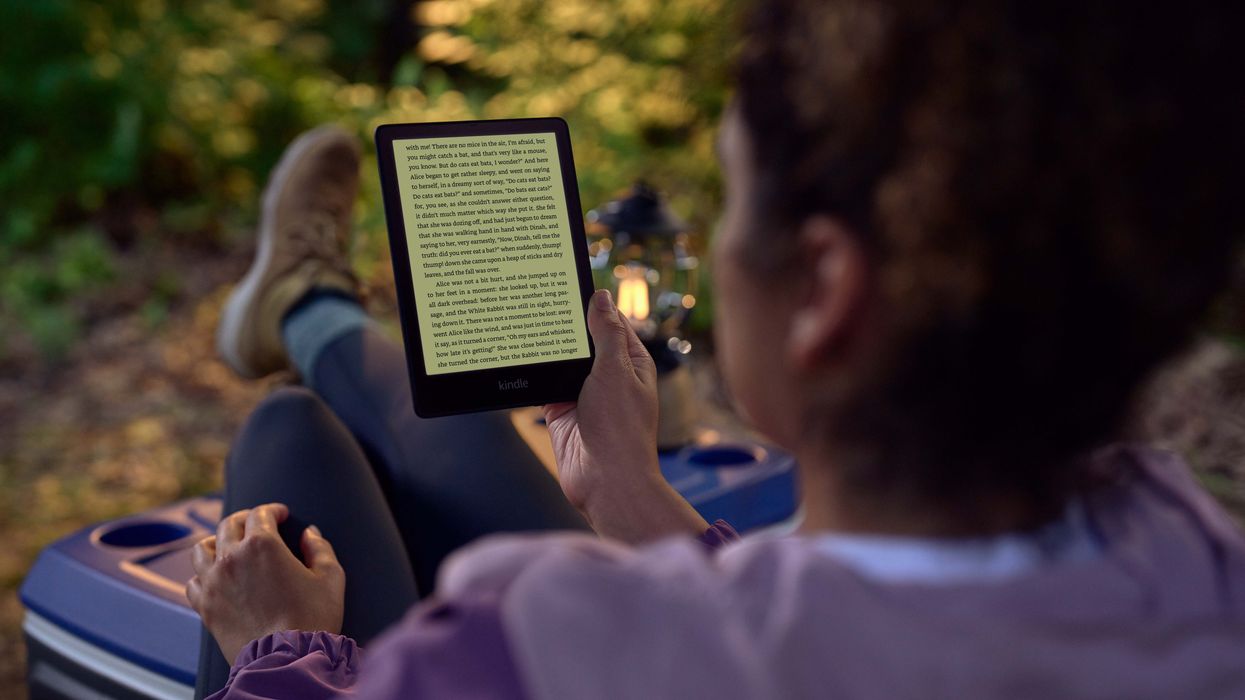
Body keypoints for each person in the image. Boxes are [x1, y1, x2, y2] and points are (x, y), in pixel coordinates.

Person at [188, 0, 1245, 697]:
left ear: (823, 293)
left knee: (288, 439)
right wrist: (634, 494)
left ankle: (307, 307)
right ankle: (308, 301)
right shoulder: (1197, 556)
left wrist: (277, 652)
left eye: (733, 200)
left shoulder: (521, 641)